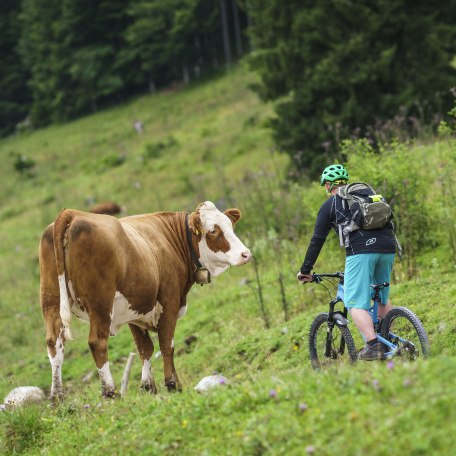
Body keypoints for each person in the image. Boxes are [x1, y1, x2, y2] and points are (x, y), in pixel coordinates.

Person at [297, 164, 396, 360]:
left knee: (354, 301)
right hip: (388, 246)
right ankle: (388, 340)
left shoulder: (331, 204)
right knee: (381, 295)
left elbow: (317, 240)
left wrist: (305, 270)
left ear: (327, 186)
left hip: (361, 251)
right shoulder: (367, 194)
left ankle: (373, 345)